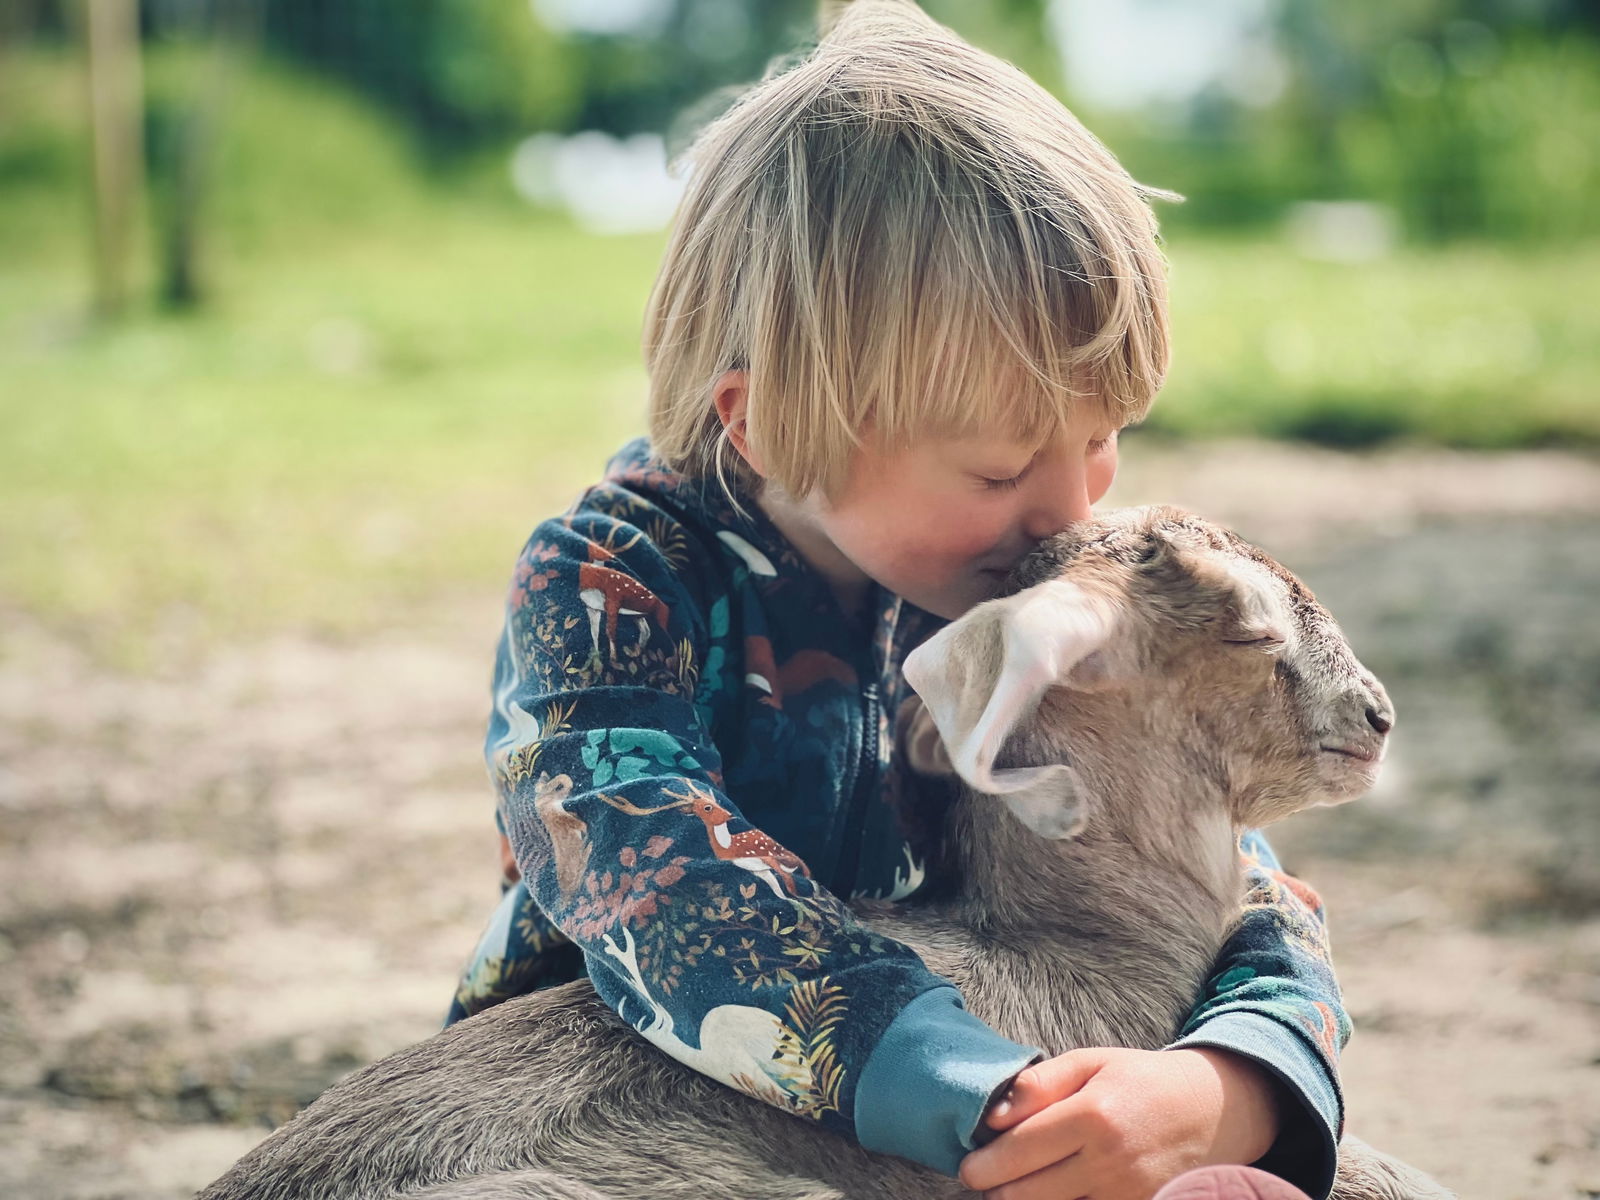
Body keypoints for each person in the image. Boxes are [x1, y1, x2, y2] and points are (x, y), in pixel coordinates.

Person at [445, 3, 1344, 1198]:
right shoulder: (608, 585)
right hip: (629, 1111)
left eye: (1105, 438)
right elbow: (654, 883)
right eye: (997, 467)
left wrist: (1234, 1082)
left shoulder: (1013, 588)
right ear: (761, 426)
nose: (1070, 506)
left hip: (972, 1059)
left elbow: (1219, 850)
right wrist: (980, 1093)